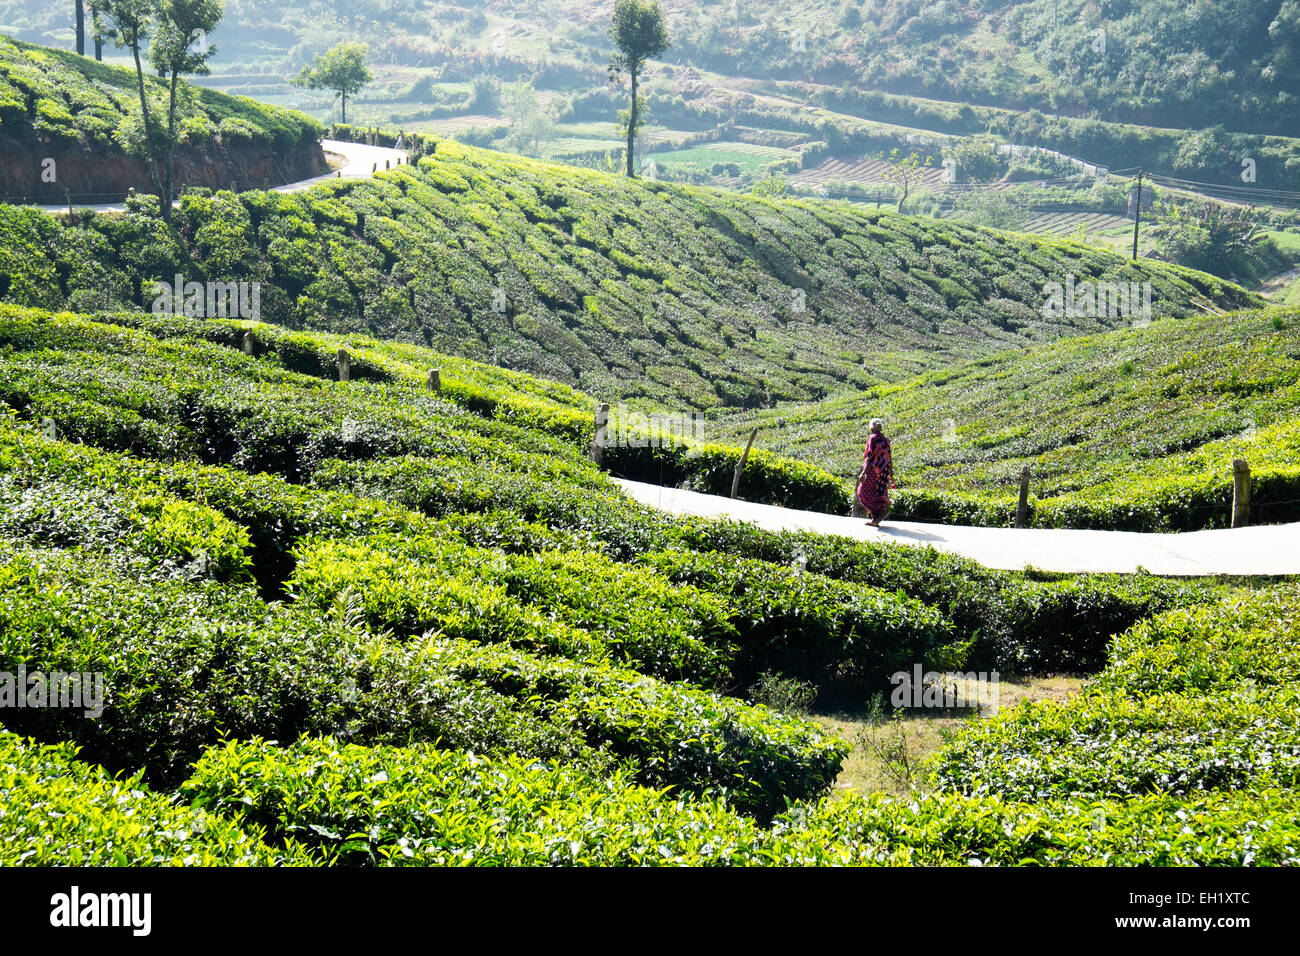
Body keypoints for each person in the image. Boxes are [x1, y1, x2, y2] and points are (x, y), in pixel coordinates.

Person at [855, 418, 894, 527]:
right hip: (884, 471)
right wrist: (891, 473)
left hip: (873, 470)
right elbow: (889, 457)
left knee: (862, 493)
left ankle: (880, 513)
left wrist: (864, 472)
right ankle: (876, 519)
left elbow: (870, 457)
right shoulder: (885, 440)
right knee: (878, 492)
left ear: (871, 427)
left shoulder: (873, 439)